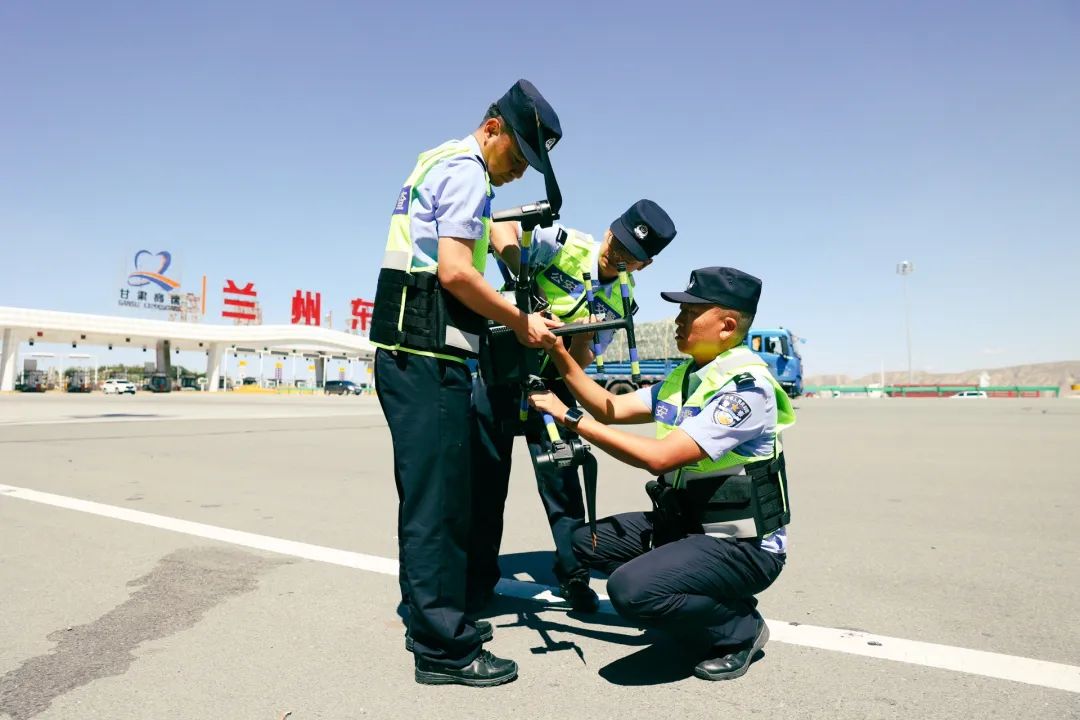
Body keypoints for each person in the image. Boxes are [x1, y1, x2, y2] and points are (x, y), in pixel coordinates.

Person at [369, 79, 563, 688]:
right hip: (426, 357)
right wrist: (520, 320)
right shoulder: (469, 172)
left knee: (433, 496)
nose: (518, 174)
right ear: (494, 129)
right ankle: (443, 649)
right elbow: (454, 271)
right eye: (519, 158)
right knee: (439, 504)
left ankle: (432, 618)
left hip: (413, 355)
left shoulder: (436, 159)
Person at [528, 266, 795, 681]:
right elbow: (610, 408)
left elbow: (660, 458)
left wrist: (567, 417)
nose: (678, 320)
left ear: (726, 325)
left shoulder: (746, 391)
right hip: (687, 524)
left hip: (742, 544)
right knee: (583, 544)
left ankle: (739, 627)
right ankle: (689, 595)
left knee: (629, 590)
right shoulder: (684, 378)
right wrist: (561, 351)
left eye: (691, 311)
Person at [469, 201, 677, 613]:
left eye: (627, 256)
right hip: (500, 378)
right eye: (615, 242)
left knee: (563, 488)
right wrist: (525, 283)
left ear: (644, 265)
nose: (614, 255)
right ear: (608, 230)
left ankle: (574, 574)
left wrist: (576, 342)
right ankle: (476, 581)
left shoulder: (622, 300)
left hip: (553, 390)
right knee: (483, 487)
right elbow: (500, 229)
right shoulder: (561, 242)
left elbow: (581, 366)